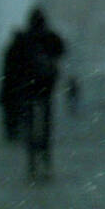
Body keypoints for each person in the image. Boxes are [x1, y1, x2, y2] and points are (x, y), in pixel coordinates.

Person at [11, 9, 65, 181]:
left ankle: (32, 160)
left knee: (29, 124)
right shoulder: (50, 37)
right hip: (46, 86)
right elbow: (62, 51)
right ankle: (46, 156)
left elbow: (14, 63)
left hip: (27, 88)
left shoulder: (24, 38)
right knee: (46, 124)